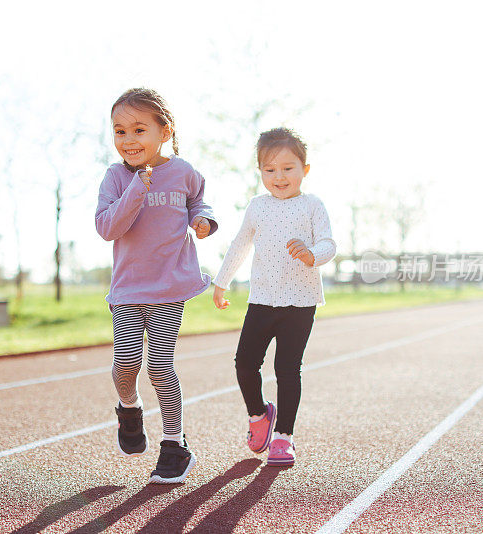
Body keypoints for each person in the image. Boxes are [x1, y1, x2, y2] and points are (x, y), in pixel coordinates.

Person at [95, 88, 217, 483]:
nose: (129, 140)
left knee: (161, 365)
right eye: (120, 131)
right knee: (126, 363)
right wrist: (137, 187)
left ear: (165, 132)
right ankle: (129, 408)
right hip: (129, 289)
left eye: (139, 129)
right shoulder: (116, 177)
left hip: (169, 288)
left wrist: (203, 221)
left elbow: (199, 202)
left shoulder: (183, 172)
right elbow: (107, 227)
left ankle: (174, 446)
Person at [212, 127, 336, 466]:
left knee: (287, 368)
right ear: (260, 172)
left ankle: (284, 437)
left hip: (301, 301)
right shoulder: (257, 206)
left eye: (287, 168)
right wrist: (221, 282)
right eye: (269, 170)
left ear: (304, 169)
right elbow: (240, 244)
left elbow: (329, 243)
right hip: (263, 299)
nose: (278, 177)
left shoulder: (313, 205)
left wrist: (312, 254)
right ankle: (258, 415)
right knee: (245, 364)